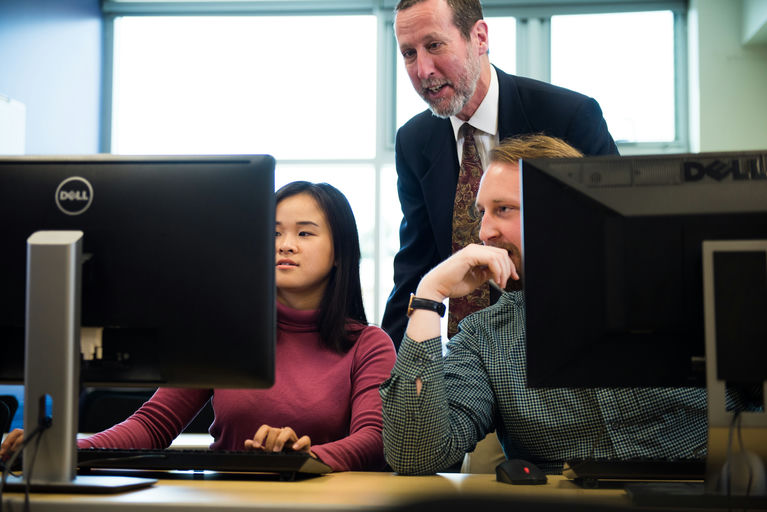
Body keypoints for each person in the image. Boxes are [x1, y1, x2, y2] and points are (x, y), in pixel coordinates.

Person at [1, 181, 397, 472]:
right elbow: (153, 425)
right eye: (273, 233)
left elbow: (375, 439)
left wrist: (304, 458)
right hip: (226, 499)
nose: (285, 244)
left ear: (340, 253)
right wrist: (66, 449)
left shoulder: (368, 345)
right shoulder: (225, 334)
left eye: (304, 233)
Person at [379, 135, 707, 475]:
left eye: (503, 209)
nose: (484, 232)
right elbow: (415, 456)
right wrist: (430, 294)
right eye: (482, 213)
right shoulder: (485, 337)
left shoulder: (677, 291)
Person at [382, 0, 620, 346]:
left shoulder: (567, 117)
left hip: (565, 335)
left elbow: (616, 242)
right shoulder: (413, 141)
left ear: (479, 38)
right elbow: (415, 262)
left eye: (434, 45)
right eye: (408, 53)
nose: (422, 69)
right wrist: (387, 360)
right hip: (464, 351)